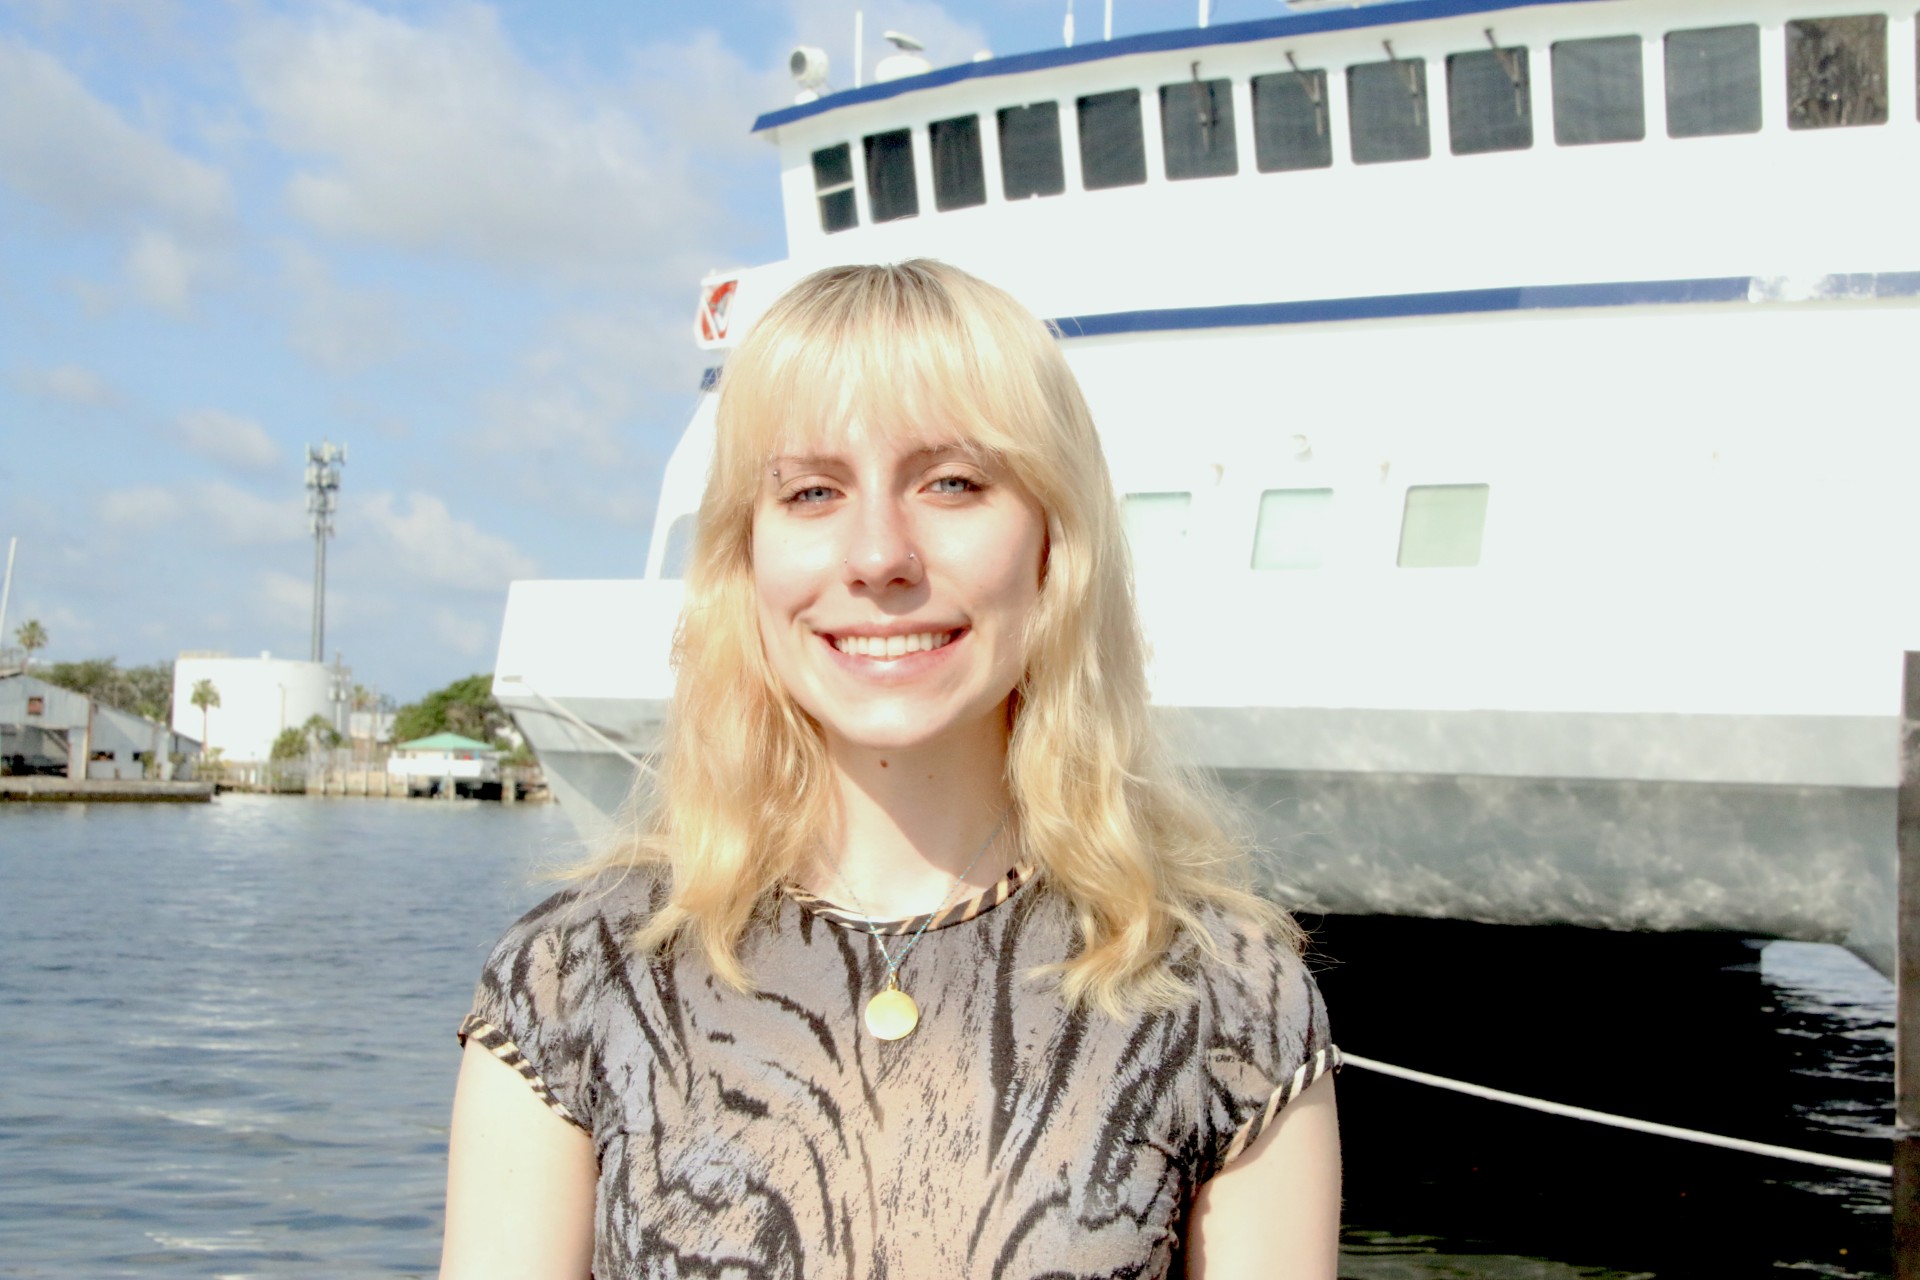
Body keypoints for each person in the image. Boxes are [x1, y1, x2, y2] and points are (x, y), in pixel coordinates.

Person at [439, 260, 1341, 1280]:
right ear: (746, 556)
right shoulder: (573, 981)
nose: (878, 554)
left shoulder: (1224, 997)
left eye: (952, 481)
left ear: (1056, 541)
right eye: (812, 491)